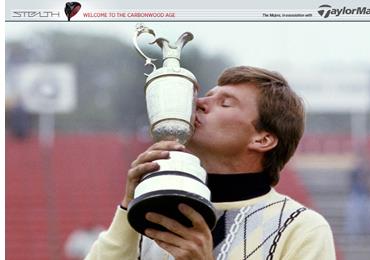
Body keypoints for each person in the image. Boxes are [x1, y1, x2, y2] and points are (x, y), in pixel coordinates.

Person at [85, 66, 336, 259]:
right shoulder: (152, 211)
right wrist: (129, 207)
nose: (198, 103)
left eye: (225, 103)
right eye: (206, 96)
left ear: (263, 139)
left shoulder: (301, 228)